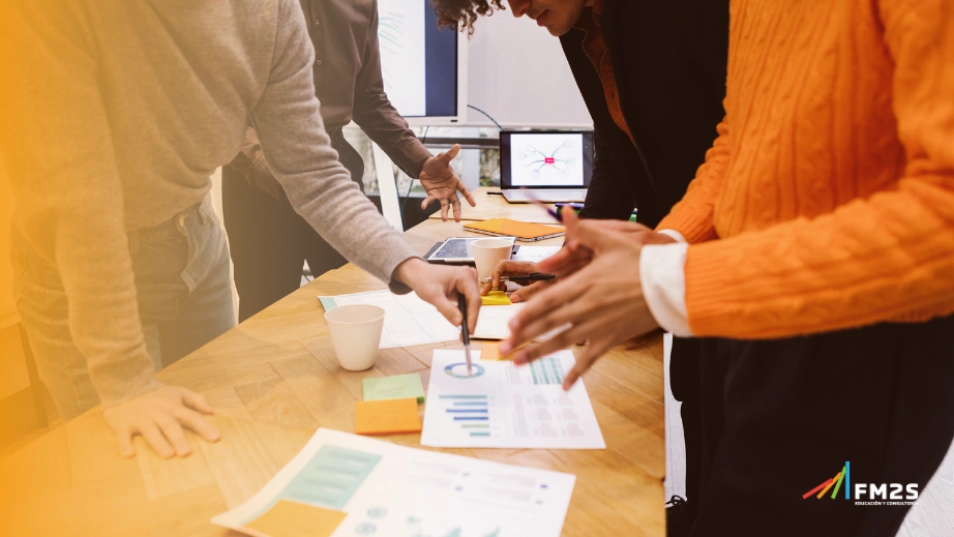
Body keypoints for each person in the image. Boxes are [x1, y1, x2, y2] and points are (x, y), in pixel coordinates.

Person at [494, 1, 954, 535]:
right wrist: (666, 245)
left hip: (866, 336)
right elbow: (741, 141)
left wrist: (671, 281)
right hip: (754, 306)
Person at [3, 0, 480, 459]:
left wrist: (412, 266)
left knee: (219, 434)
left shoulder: (270, 12)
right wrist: (125, 381)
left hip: (195, 243)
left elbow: (313, 174)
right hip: (84, 269)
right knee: (128, 470)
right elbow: (80, 204)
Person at [431, 0, 728, 530]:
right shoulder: (578, 29)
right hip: (674, 258)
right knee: (699, 402)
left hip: (733, 254)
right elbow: (615, 152)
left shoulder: (679, 12)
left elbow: (740, 143)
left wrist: (663, 248)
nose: (519, 9)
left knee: (744, 434)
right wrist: (580, 251)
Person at [225, 0, 476, 322]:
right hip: (256, 177)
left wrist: (420, 160)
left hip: (334, 168)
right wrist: (278, 167)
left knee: (353, 306)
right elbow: (223, 106)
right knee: (267, 315)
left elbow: (367, 96)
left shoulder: (361, 4)